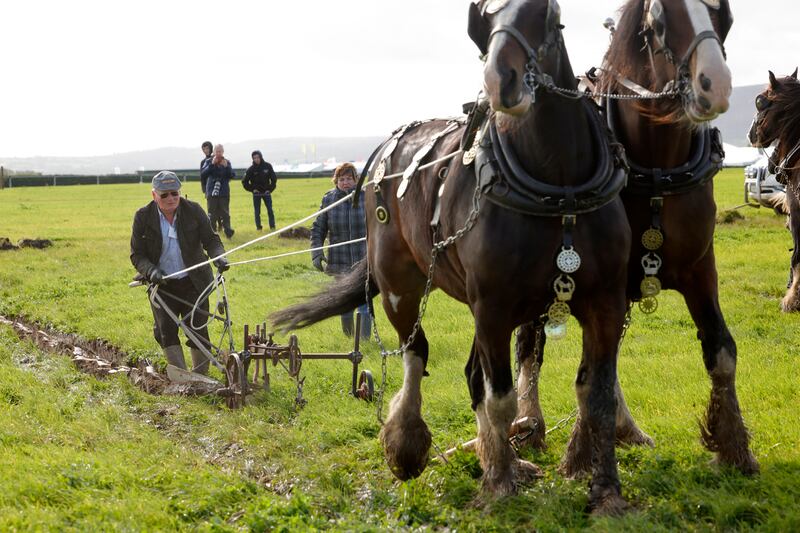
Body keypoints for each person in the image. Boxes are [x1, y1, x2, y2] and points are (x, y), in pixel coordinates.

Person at [130, 171, 230, 374]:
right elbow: (137, 255)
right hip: (163, 284)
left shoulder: (193, 210)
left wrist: (219, 257)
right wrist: (151, 271)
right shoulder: (143, 216)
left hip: (195, 282)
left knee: (197, 327)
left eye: (174, 193)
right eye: (164, 195)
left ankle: (201, 376)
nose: (170, 199)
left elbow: (211, 240)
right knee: (165, 330)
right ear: (154, 195)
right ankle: (180, 376)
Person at [310, 162, 370, 339]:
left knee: (364, 305)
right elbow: (318, 228)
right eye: (341, 179)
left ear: (356, 180)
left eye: (349, 179)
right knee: (345, 305)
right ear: (335, 181)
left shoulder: (367, 198)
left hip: (364, 259)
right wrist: (316, 251)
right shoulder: (328, 199)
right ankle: (349, 339)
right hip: (339, 260)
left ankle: (364, 341)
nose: (345, 182)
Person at [200, 143, 236, 238]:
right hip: (212, 191)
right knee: (212, 213)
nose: (218, 153)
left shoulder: (227, 162)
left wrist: (227, 167)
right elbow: (203, 174)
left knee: (225, 213)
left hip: (223, 192)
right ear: (214, 152)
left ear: (223, 152)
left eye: (220, 151)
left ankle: (228, 232)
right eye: (217, 151)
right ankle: (212, 232)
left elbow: (232, 175)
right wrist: (211, 165)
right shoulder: (208, 161)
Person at [242, 150, 277, 230]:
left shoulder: (268, 166)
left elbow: (274, 179)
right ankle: (258, 227)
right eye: (254, 158)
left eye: (258, 157)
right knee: (257, 212)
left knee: (270, 210)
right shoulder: (251, 169)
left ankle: (272, 226)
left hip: (266, 193)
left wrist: (270, 190)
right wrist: (252, 189)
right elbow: (244, 182)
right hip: (256, 194)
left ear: (261, 157)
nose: (256, 159)